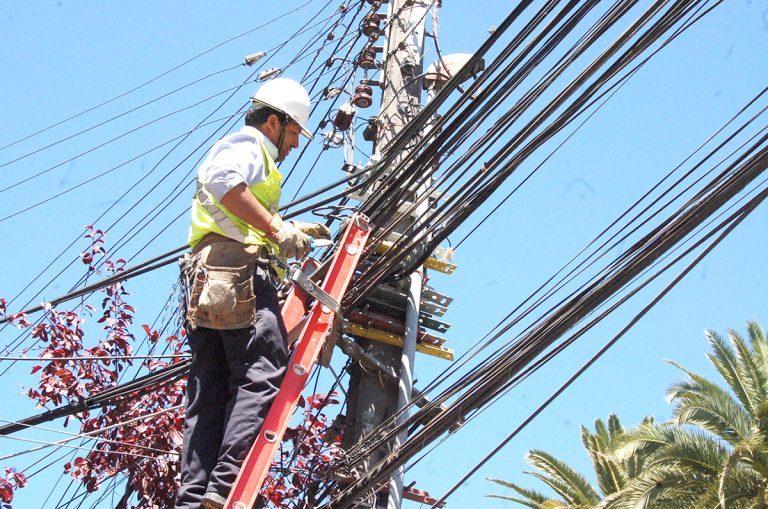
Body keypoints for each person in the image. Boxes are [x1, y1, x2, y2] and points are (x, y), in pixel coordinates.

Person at [175, 77, 330, 509]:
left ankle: (194, 497)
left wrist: (287, 229)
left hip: (209, 281)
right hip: (237, 276)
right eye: (294, 132)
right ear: (274, 122)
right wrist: (277, 229)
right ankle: (226, 484)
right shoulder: (249, 145)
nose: (295, 144)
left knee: (209, 390)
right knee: (263, 370)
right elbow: (222, 180)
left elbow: (235, 215)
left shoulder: (255, 156)